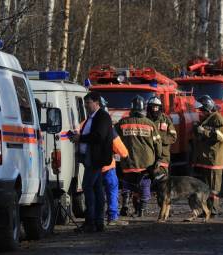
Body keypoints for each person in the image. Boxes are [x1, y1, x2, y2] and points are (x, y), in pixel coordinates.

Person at [69, 91, 113, 232]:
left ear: (96, 103)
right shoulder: (91, 117)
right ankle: (98, 222)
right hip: (91, 158)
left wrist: (80, 138)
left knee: (88, 187)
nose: (86, 106)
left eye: (88, 103)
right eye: (85, 103)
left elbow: (99, 136)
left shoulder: (103, 117)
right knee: (97, 189)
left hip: (96, 159)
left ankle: (91, 222)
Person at [116, 95, 162, 217]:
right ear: (143, 109)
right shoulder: (150, 124)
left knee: (127, 183)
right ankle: (142, 210)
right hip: (146, 163)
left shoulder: (122, 123)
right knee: (145, 185)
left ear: (131, 109)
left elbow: (114, 139)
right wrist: (159, 158)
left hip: (128, 161)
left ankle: (125, 204)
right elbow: (158, 143)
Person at [192, 95, 223, 217]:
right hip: (205, 159)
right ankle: (206, 210)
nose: (201, 112)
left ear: (208, 108)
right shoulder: (206, 119)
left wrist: (204, 131)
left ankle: (214, 210)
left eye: (202, 110)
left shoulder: (217, 119)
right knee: (205, 187)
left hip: (214, 160)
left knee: (213, 187)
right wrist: (196, 130)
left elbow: (221, 137)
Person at [99, 97, 129, 226]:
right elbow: (120, 149)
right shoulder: (108, 127)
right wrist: (125, 155)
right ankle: (112, 217)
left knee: (95, 192)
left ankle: (96, 218)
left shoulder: (84, 123)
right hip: (107, 166)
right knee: (111, 190)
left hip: (90, 167)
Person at [146, 96, 177, 175]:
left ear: (160, 108)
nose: (154, 109)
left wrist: (159, 139)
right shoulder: (145, 120)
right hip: (148, 155)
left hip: (163, 156)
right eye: (153, 107)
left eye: (156, 107)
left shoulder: (166, 119)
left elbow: (173, 136)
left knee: (162, 181)